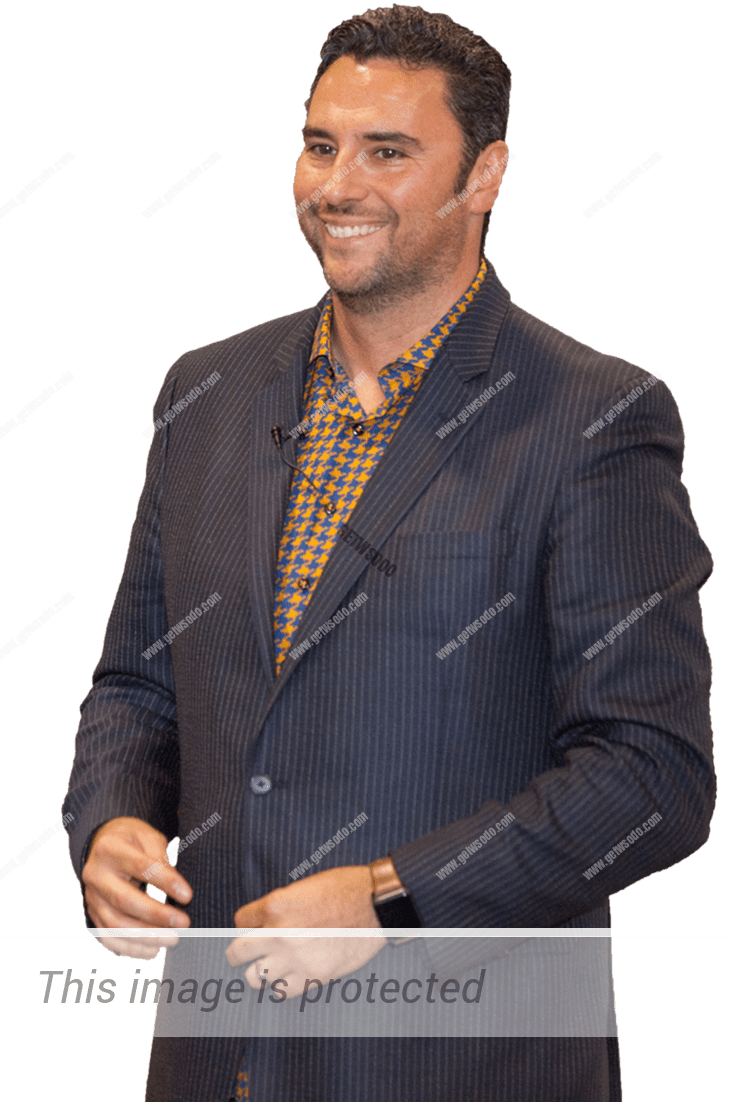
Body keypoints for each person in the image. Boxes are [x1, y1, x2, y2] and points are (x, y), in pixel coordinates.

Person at [63, 6, 716, 1100]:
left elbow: (653, 777)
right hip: (215, 1060)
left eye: (387, 152)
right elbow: (137, 682)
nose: (336, 185)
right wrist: (113, 821)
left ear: (485, 176)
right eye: (320, 145)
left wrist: (389, 898)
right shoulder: (205, 392)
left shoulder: (595, 419)